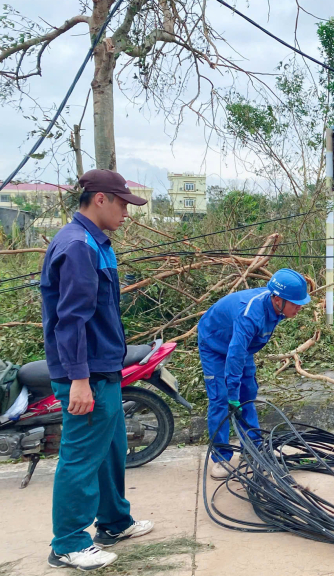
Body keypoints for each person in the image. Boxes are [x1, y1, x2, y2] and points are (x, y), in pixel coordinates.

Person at [41, 169, 154, 571]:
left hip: (104, 368)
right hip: (86, 374)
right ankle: (68, 543)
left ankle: (114, 522)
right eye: (123, 203)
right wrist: (79, 380)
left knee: (110, 451)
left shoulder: (96, 242)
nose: (127, 212)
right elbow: (70, 320)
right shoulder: (77, 247)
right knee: (81, 457)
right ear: (101, 199)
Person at [197, 269, 311, 478]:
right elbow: (234, 355)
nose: (299, 307)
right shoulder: (250, 315)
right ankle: (221, 458)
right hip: (214, 344)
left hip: (240, 346)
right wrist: (232, 395)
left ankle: (253, 448)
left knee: (247, 395)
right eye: (295, 303)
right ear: (277, 299)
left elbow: (240, 350)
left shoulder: (278, 308)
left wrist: (239, 394)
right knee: (221, 399)